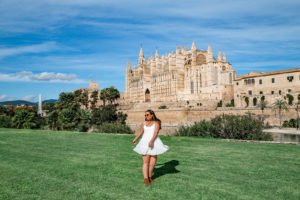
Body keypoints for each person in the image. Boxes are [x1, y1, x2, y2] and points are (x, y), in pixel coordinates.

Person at [132, 109, 169, 185]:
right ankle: (145, 179)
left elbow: (155, 133)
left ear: (152, 115)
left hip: (154, 143)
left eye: (147, 115)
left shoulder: (156, 123)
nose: (146, 116)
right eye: (145, 115)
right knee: (146, 162)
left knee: (152, 163)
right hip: (144, 143)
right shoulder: (143, 123)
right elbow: (140, 132)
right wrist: (135, 139)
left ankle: (149, 177)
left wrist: (151, 141)